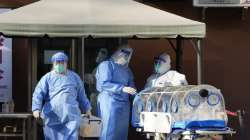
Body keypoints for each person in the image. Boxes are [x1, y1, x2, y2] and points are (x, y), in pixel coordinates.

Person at [32, 52, 91, 140]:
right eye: (57, 62)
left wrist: (87, 108)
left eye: (62, 62)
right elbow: (38, 94)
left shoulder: (75, 77)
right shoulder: (47, 78)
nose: (60, 64)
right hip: (52, 117)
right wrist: (36, 109)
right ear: (53, 64)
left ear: (66, 63)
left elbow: (82, 95)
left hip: (71, 117)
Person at [132, 53, 188, 128]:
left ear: (166, 63)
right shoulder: (151, 78)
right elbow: (144, 94)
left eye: (159, 62)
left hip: (169, 112)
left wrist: (172, 85)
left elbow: (183, 87)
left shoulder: (174, 75)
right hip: (153, 112)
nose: (157, 65)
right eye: (156, 62)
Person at [95, 46, 137, 140]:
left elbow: (132, 87)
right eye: (124, 53)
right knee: (109, 130)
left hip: (124, 105)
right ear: (117, 52)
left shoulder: (127, 71)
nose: (125, 56)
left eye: (128, 55)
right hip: (109, 102)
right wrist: (122, 88)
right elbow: (104, 84)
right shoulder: (106, 65)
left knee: (122, 132)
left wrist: (139, 97)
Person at [84, 48, 108, 115]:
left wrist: (92, 80)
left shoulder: (106, 68)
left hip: (101, 96)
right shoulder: (97, 68)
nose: (98, 57)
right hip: (96, 96)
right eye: (98, 55)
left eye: (101, 56)